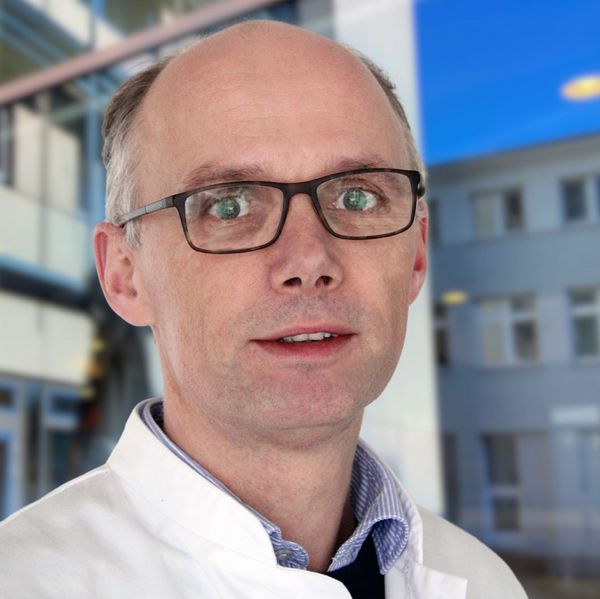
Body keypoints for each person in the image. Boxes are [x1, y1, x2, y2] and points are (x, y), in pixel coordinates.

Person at [0, 20, 528, 598]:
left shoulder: (488, 582)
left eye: (358, 197)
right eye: (227, 206)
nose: (309, 259)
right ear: (124, 275)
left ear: (417, 254)